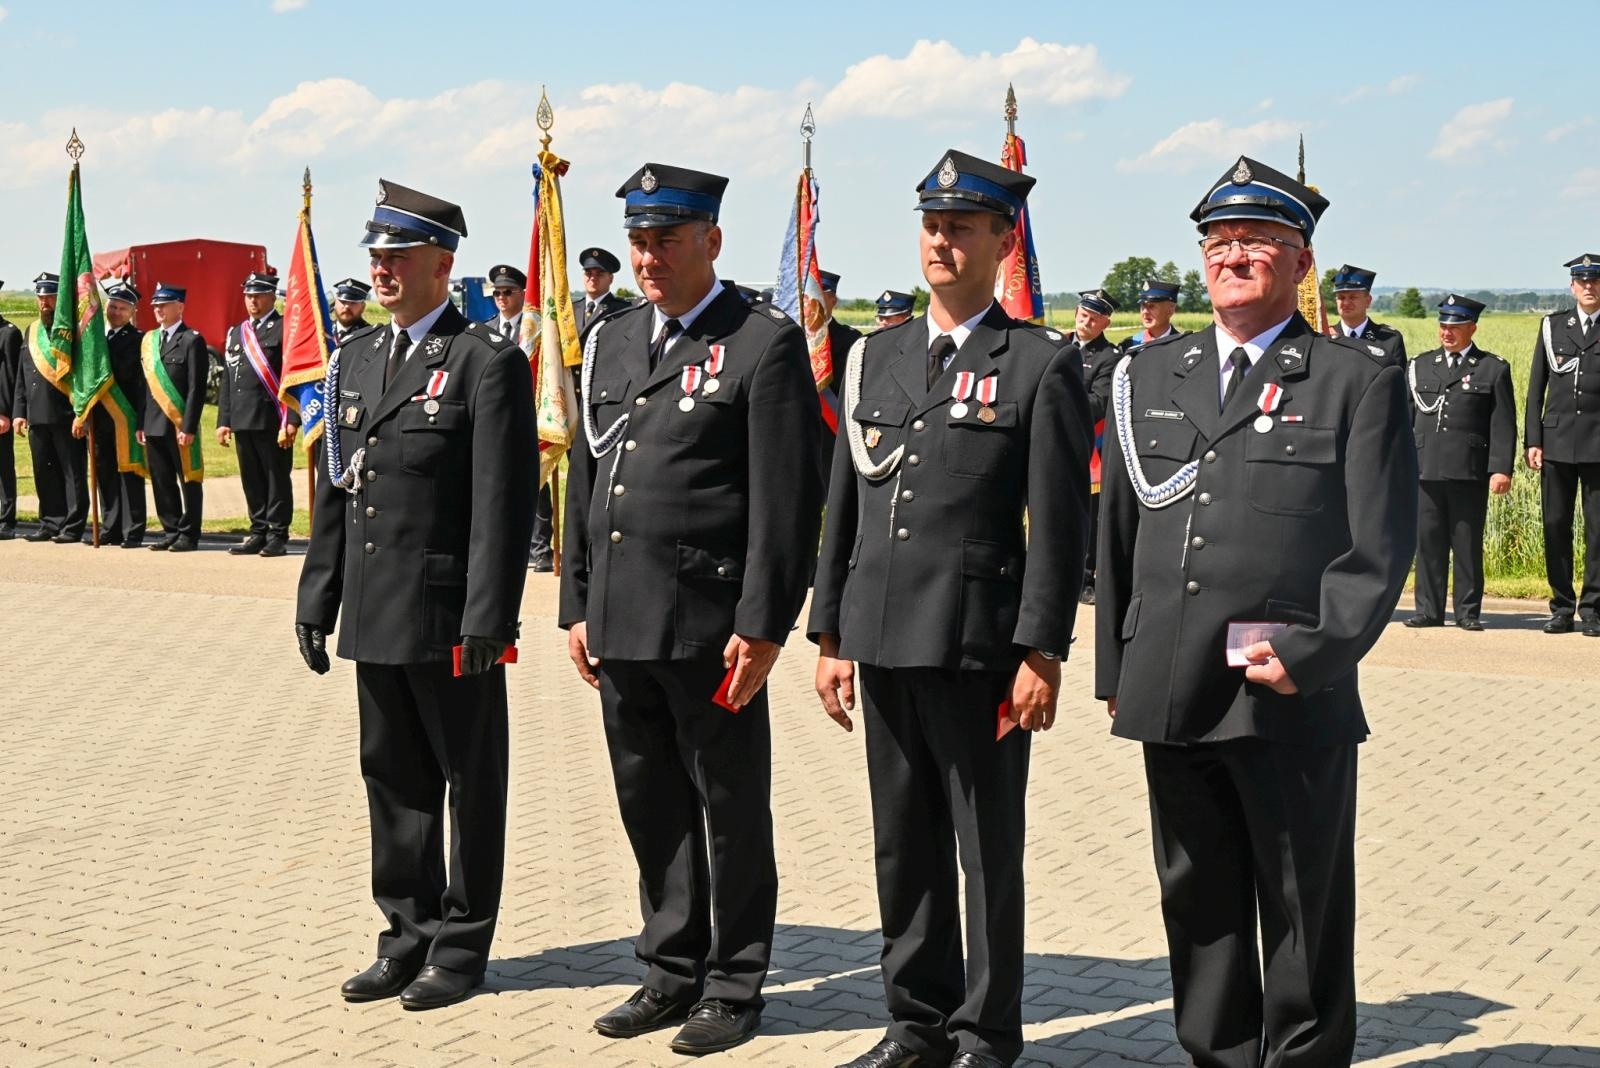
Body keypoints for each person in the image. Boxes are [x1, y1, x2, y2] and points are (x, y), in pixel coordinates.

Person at [1096, 156, 1417, 1066]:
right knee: (1197, 903)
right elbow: (1119, 535)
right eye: (1218, 241)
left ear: (1301, 263)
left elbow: (1380, 545)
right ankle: (1220, 1057)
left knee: (1299, 906)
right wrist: (1119, 674)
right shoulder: (1153, 373)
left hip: (1285, 688)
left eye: (1258, 242)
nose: (1233, 256)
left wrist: (1315, 652)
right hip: (1171, 681)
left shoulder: (1352, 380)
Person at [812, 148, 1091, 1068]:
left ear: (1001, 242)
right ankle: (914, 1023)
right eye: (931, 225)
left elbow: (1057, 525)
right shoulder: (877, 354)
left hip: (979, 646)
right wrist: (830, 632)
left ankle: (985, 1031)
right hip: (883, 635)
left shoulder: (1039, 364)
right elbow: (845, 502)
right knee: (904, 845)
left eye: (961, 227)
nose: (940, 241)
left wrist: (1041, 651)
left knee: (984, 849)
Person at [560, 161, 821, 1056]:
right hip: (623, 619)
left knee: (729, 805)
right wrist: (577, 602)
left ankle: (736, 983)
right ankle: (669, 970)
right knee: (651, 804)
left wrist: (765, 625)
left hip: (712, 626)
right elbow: (587, 478)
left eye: (667, 240)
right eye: (639, 241)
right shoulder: (614, 338)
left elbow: (786, 501)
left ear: (712, 240)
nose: (649, 257)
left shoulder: (759, 342)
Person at [295, 179, 536, 1011]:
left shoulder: (486, 362)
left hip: (446, 617)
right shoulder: (354, 358)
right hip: (373, 607)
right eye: (376, 258)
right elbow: (337, 491)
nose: (382, 271)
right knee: (391, 779)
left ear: (443, 264)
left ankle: (461, 949)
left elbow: (502, 507)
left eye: (397, 257)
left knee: (470, 783)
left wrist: (489, 619)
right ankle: (407, 935)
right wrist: (316, 595)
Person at [1406, 295, 1516, 630]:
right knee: (1428, 543)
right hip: (1425, 467)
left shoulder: (1492, 368)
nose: (1447, 332)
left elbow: (1503, 423)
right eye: (1443, 326)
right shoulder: (1420, 365)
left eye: (1455, 327)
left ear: (1472, 328)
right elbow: (1405, 419)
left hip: (1468, 470)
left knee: (1466, 543)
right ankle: (1429, 610)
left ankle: (1468, 612)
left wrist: (1501, 468)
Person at [1526, 254, 1600, 636]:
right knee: (1555, 525)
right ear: (1573, 286)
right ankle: (1561, 607)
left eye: (1595, 281)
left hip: (1598, 446)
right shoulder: (1553, 326)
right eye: (1582, 281)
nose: (1589, 286)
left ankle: (1593, 609)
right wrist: (1533, 440)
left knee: (1598, 530)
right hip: (1555, 443)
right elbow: (1536, 386)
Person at [219, 271, 297, 557]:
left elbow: (292, 377)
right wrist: (224, 420)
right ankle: (257, 531)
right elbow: (229, 378)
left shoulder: (284, 328)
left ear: (271, 296)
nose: (252, 300)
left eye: (258, 294)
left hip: (271, 418)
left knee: (276, 478)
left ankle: (277, 534)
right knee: (251, 478)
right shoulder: (236, 332)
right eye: (248, 295)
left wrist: (291, 420)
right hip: (242, 417)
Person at [14, 272, 90, 544]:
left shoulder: (73, 331)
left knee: (73, 473)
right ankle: (50, 521)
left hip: (65, 414)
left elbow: (83, 375)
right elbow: (23, 376)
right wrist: (19, 412)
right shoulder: (31, 330)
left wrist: (82, 413)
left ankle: (72, 525)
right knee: (44, 472)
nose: (44, 303)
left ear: (61, 299)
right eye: (41, 297)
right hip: (37, 415)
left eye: (50, 297)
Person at [138, 284, 208, 552]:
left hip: (179, 424)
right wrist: (141, 423)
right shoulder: (150, 341)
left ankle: (189, 533)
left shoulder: (191, 340)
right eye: (155, 305)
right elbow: (145, 387)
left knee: (188, 479)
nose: (158, 310)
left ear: (179, 307)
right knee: (161, 480)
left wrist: (188, 425)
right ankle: (171, 529)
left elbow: (196, 388)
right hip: (154, 423)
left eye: (164, 305)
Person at [92, 279, 148, 548]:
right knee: (105, 473)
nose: (116, 312)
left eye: (122, 309)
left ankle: (133, 529)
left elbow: (138, 381)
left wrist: (141, 419)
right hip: (101, 416)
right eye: (113, 307)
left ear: (131, 313)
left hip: (126, 415)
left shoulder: (138, 340)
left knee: (130, 473)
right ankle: (111, 526)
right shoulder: (96, 339)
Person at [815, 269, 861, 488]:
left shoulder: (850, 338)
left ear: (833, 299)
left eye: (819, 294)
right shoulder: (790, 336)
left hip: (833, 429)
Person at [1329, 264, 1406, 368]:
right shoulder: (1326, 337)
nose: (1346, 303)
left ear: (1368, 301)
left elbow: (1398, 381)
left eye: (1353, 297)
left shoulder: (1389, 340)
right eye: (1341, 298)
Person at [0, 282, 22, 539]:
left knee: (4, 466)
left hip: (0, 411)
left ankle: (7, 519)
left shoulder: (8, 333)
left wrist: (4, 411)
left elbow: (8, 377)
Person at [1117, 278, 1184, 354]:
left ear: (1170, 310)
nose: (1145, 312)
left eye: (1151, 306)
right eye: (1143, 306)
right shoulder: (1128, 346)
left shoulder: (1183, 345)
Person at [576, 247, 629, 332]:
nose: (593, 278)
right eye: (588, 273)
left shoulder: (623, 310)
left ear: (611, 278)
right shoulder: (572, 308)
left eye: (599, 274)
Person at [330, 278, 372, 345]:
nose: (347, 306)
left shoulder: (370, 335)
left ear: (363, 307)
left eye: (353, 303)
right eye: (343, 302)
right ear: (335, 303)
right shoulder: (324, 329)